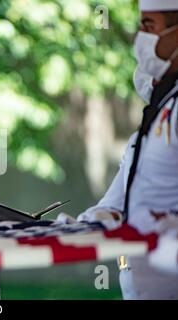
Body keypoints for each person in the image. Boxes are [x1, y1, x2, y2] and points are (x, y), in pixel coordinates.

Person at [71, 0, 178, 299]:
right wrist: (89, 223)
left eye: (149, 26)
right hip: (139, 283)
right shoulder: (148, 129)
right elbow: (117, 203)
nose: (139, 39)